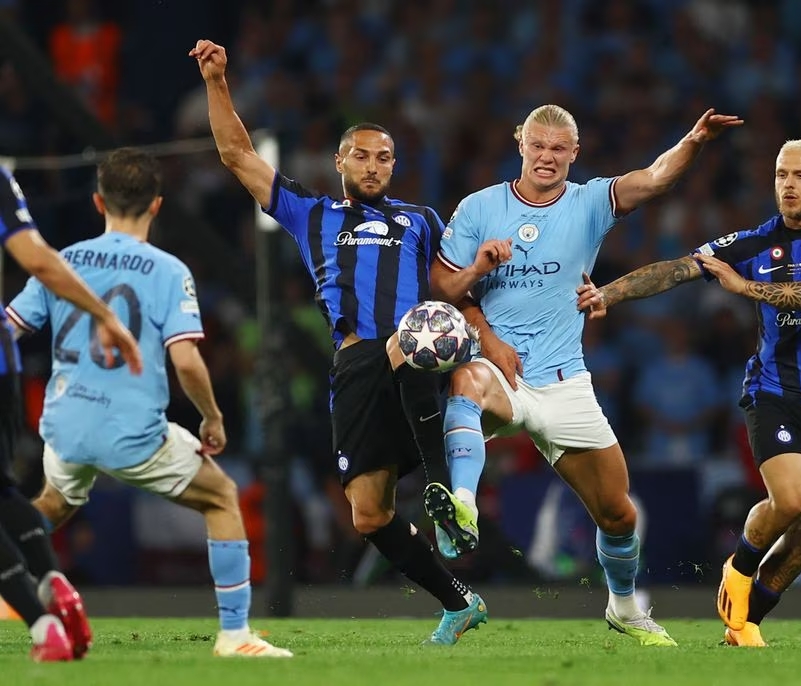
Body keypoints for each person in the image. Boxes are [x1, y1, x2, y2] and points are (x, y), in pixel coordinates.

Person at [191, 39, 492, 645]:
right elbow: (236, 153)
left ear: (394, 166)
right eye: (362, 156)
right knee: (368, 513)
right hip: (354, 366)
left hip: (412, 350)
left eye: (384, 158)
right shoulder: (313, 213)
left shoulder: (420, 219)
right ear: (340, 161)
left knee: (418, 331)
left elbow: (445, 289)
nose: (374, 165)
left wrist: (478, 269)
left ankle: (441, 489)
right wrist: (218, 81)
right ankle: (459, 602)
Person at [425, 102, 741, 647]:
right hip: (503, 370)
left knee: (618, 514)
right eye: (538, 145)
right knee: (465, 382)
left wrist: (694, 139)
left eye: (558, 148)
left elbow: (656, 178)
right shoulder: (479, 208)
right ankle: (462, 508)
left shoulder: (590, 201)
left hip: (566, 380)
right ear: (520, 142)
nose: (546, 157)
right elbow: (444, 290)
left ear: (575, 152)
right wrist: (479, 272)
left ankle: (624, 608)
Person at [577, 139, 801, 647]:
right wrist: (608, 293)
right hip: (774, 391)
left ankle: (746, 623)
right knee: (793, 497)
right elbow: (680, 268)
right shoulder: (755, 243)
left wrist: (743, 289)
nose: (789, 184)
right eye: (781, 174)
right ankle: (739, 567)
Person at [10, 148, 290, 658]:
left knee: (53, 504)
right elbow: (185, 361)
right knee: (222, 497)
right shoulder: (168, 270)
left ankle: (10, 579)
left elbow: (11, 327)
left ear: (98, 201)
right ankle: (235, 635)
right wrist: (212, 416)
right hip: (131, 433)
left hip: (65, 423)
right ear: (157, 205)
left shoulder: (62, 262)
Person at [0, 165, 141, 662]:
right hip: (4, 363)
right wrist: (102, 313)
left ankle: (42, 627)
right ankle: (55, 584)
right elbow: (36, 258)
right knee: (4, 494)